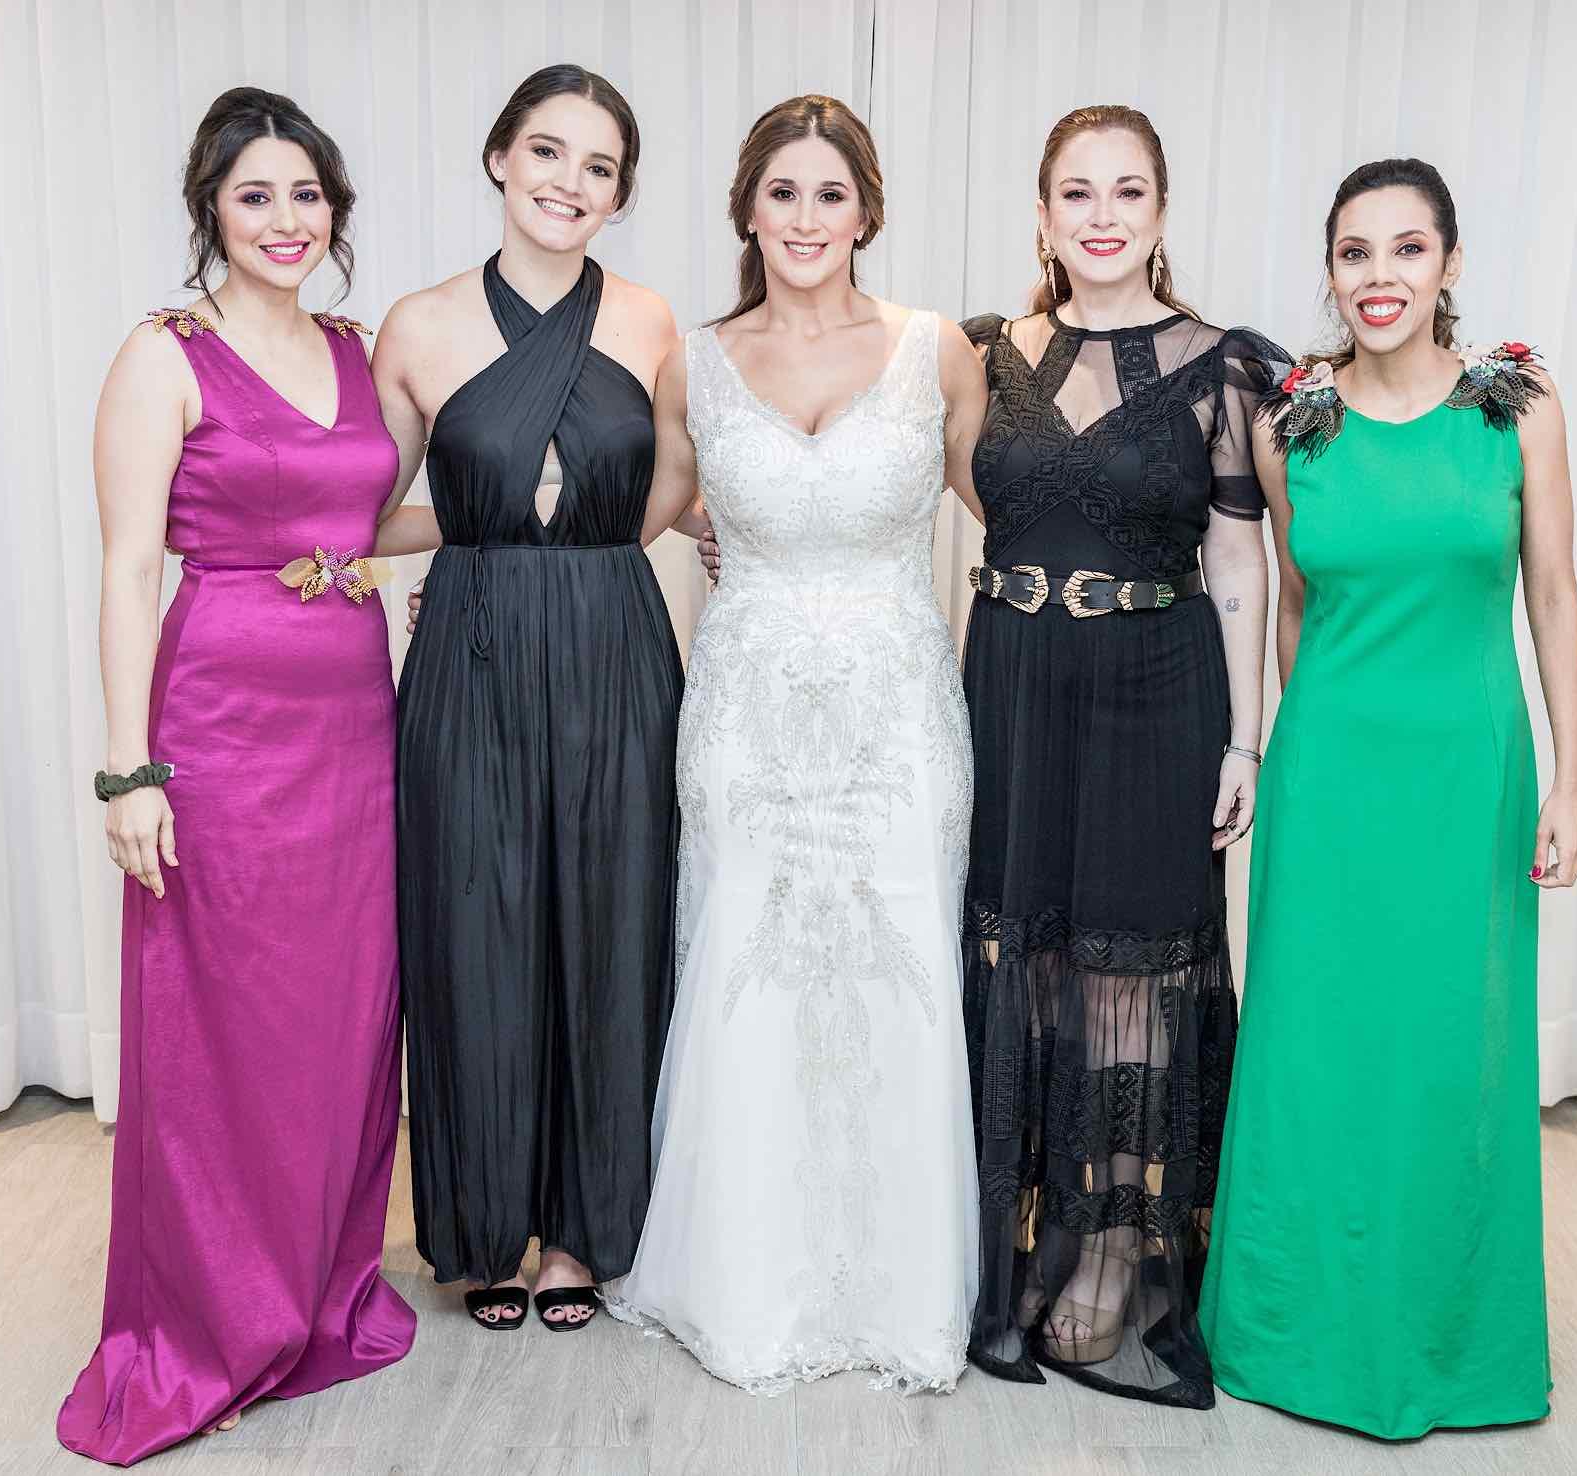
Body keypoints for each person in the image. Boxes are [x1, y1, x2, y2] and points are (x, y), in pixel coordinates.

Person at [601, 94, 989, 1395]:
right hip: (746, 720)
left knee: (898, 971)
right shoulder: (695, 365)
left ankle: (898, 1291)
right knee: (748, 971)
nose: (807, 218)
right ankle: (741, 1280)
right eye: (783, 193)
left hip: (897, 715)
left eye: (831, 194)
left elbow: (1021, 507)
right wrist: (469, 557)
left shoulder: (938, 353)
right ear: (747, 210)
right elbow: (636, 513)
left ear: (866, 211)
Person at [1200, 157, 1577, 1439]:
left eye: (1407, 249)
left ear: (1449, 264)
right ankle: (1292, 1333)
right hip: (1330, 782)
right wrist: (1294, 749)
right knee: (1314, 1054)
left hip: (1468, 780)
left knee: (1449, 1055)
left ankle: (1450, 1343)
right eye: (1354, 253)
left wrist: (1573, 779)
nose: (1379, 277)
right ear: (1329, 270)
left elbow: (1552, 597)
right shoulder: (1290, 427)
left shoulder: (1518, 409)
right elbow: (1296, 608)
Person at [59, 87, 413, 1465]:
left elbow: (371, 517)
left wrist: (540, 514)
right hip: (218, 722)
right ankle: (210, 1320)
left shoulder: (354, 349)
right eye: (255, 195)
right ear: (211, 207)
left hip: (352, 723)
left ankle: (317, 1290)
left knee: (336, 1019)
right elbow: (126, 570)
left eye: (305, 194)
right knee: (220, 1025)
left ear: (335, 209)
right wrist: (129, 770)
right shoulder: (163, 355)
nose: (284, 219)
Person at [955, 105, 1288, 1406]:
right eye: (1077, 192)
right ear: (1042, 214)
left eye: (1127, 191)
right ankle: (1014, 1245)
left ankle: (1108, 1258)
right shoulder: (984, 353)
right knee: (1023, 961)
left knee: (1124, 977)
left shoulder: (1223, 366)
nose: (1101, 215)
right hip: (1012, 683)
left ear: (1159, 212)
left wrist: (1246, 739)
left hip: (1157, 688)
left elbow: (1240, 562)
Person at [372, 64, 702, 1334]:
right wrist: (473, 534)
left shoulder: (655, 322)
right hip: (474, 645)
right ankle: (481, 1228)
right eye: (549, 152)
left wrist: (597, 541)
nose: (570, 182)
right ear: (500, 158)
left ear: (619, 195)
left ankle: (584, 1231)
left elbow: (675, 486)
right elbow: (371, 510)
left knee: (614, 921)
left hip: (616, 639)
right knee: (473, 926)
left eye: (599, 166)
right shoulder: (419, 325)